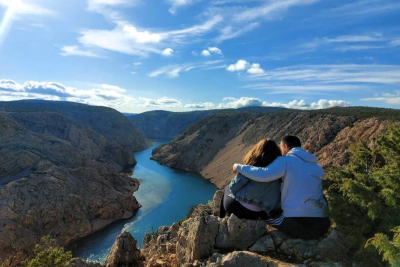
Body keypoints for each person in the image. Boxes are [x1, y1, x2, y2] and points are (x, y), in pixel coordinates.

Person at [233, 135, 331, 240]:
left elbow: (263, 174)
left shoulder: (285, 160)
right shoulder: (317, 167)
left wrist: (238, 167)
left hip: (304, 226)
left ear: (285, 147)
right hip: (324, 223)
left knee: (266, 214)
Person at [219, 138, 282, 220]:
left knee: (227, 188)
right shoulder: (280, 172)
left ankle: (221, 218)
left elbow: (234, 187)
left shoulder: (251, 168)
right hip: (256, 214)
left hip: (236, 207)